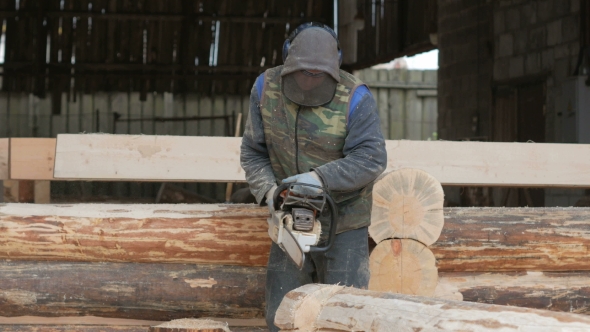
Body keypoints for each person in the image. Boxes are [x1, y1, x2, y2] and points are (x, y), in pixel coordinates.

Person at [240, 22, 387, 331]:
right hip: (291, 219)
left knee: (346, 318)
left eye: (317, 76)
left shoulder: (355, 98)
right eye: (301, 74)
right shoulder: (265, 89)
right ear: (286, 59)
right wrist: (269, 193)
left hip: (345, 221)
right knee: (283, 315)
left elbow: (370, 158)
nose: (307, 83)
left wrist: (319, 179)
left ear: (335, 65)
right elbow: (253, 153)